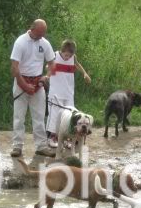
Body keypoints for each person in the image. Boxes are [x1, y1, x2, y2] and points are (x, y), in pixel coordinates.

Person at [10, 19, 56, 158]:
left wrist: (46, 77)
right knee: (19, 117)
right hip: (21, 82)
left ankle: (41, 146)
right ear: (33, 29)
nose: (42, 35)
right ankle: (17, 147)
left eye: (44, 32)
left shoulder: (45, 43)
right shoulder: (20, 42)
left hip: (38, 84)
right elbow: (14, 67)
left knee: (39, 116)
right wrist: (24, 85)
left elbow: (52, 64)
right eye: (40, 32)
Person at [46, 39, 91, 148]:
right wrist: (47, 74)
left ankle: (68, 138)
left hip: (68, 92)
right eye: (66, 55)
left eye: (69, 55)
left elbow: (78, 65)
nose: (67, 57)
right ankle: (52, 137)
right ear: (62, 51)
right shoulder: (54, 55)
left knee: (69, 115)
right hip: (55, 92)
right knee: (55, 115)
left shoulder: (73, 58)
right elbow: (48, 67)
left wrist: (85, 74)